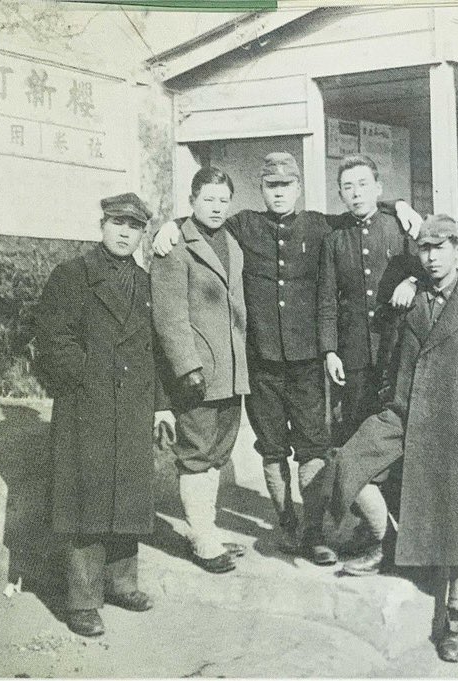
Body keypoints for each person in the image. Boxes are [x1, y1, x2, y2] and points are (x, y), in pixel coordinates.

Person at [152, 154, 423, 565]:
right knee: (273, 449)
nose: (279, 193)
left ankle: (313, 533)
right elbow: (203, 220)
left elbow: (359, 210)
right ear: (262, 190)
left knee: (313, 447)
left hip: (307, 363)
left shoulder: (317, 225)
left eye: (286, 186)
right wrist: (170, 225)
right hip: (260, 364)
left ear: (298, 188)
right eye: (271, 186)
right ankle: (287, 526)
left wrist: (397, 205)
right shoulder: (243, 225)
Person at [327, 214, 458, 663]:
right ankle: (386, 542)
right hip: (402, 413)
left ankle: (455, 615)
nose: (431, 258)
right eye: (425, 250)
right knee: (347, 462)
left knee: (457, 521)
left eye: (440, 248)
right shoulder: (410, 297)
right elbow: (391, 353)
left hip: (455, 422)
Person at [34, 192, 162, 637]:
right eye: (117, 224)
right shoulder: (72, 275)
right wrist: (86, 378)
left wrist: (160, 406)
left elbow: (157, 349)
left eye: (135, 227)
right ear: (102, 226)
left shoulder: (146, 283)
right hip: (86, 406)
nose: (125, 233)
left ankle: (121, 584)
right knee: (85, 502)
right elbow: (52, 338)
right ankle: (83, 600)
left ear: (143, 233)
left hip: (133, 406)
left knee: (127, 494)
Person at [150, 168, 248, 574]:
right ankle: (203, 540)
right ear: (192, 201)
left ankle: (206, 529)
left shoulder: (232, 241)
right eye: (208, 199)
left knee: (218, 454)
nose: (217, 207)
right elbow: (169, 317)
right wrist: (187, 368)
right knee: (196, 455)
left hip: (232, 372)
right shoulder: (174, 245)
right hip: (197, 375)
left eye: (223, 200)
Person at [318, 154, 421, 447]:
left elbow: (426, 269)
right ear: (340, 194)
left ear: (378, 187)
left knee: (398, 425)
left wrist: (412, 282)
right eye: (348, 187)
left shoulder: (399, 227)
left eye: (363, 184)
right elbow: (327, 299)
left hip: (396, 344)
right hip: (353, 352)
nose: (356, 193)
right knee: (354, 426)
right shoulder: (334, 238)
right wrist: (330, 351)